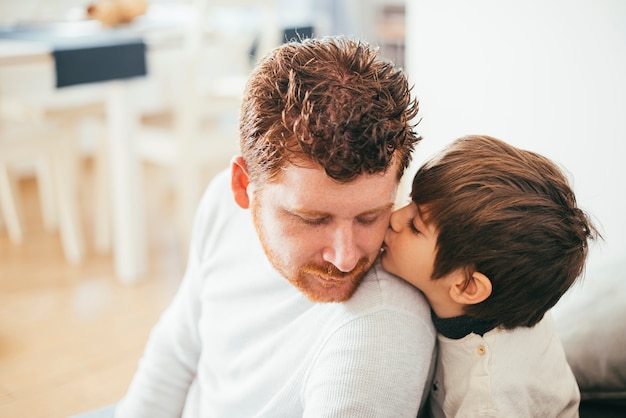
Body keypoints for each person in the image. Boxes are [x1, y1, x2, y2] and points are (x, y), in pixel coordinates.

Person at [115, 37, 436, 418]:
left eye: (370, 217)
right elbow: (178, 347)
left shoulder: (380, 331)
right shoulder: (221, 202)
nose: (346, 258)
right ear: (242, 186)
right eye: (312, 219)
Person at [381, 134, 599, 417]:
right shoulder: (516, 288)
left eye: (415, 225)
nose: (395, 217)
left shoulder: (485, 404)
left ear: (467, 285)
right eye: (410, 200)